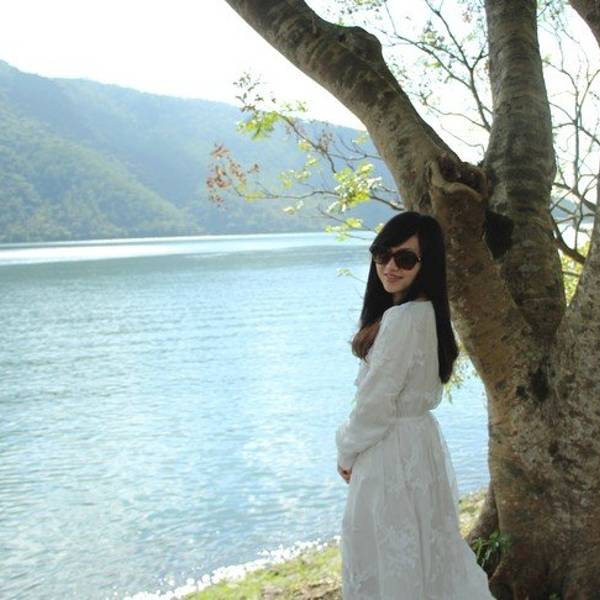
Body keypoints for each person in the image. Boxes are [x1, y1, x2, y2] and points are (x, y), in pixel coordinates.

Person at [335, 211, 494, 599]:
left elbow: (375, 404)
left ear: (427, 264)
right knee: (425, 550)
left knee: (388, 555)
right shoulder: (428, 313)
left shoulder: (401, 319)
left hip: (389, 452)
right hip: (419, 448)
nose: (390, 267)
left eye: (405, 259)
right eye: (382, 254)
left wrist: (346, 451)